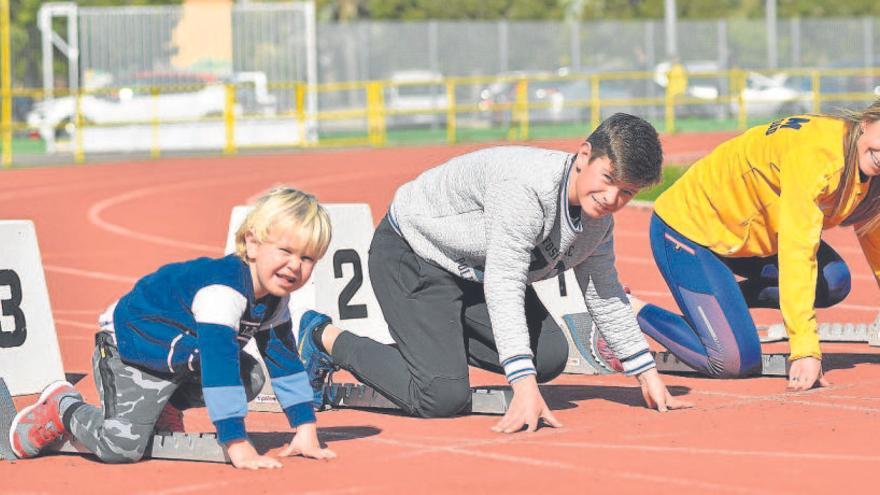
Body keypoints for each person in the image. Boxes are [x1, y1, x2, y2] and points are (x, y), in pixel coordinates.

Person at [296, 113, 692, 433]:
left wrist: (646, 374)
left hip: (473, 271)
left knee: (549, 356)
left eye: (627, 193)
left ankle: (433, 345)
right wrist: (522, 388)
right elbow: (504, 283)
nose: (612, 199)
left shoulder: (598, 223)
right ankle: (323, 336)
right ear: (584, 154)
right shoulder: (526, 189)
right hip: (414, 254)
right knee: (441, 397)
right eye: (608, 180)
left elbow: (604, 293)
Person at [10, 187, 338, 469]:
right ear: (251, 245)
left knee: (250, 376)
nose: (295, 265)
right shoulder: (223, 292)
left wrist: (305, 428)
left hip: (181, 356)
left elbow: (285, 361)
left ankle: (165, 405)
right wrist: (235, 441)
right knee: (120, 448)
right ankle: (61, 408)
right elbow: (219, 365)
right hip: (131, 350)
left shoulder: (275, 299)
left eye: (308, 258)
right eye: (286, 251)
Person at [634, 99, 880, 391]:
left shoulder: (866, 168)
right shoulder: (819, 156)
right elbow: (797, 252)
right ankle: (626, 309)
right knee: (732, 361)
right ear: (865, 122)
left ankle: (721, 309)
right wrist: (805, 349)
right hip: (690, 229)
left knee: (833, 281)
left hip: (746, 235)